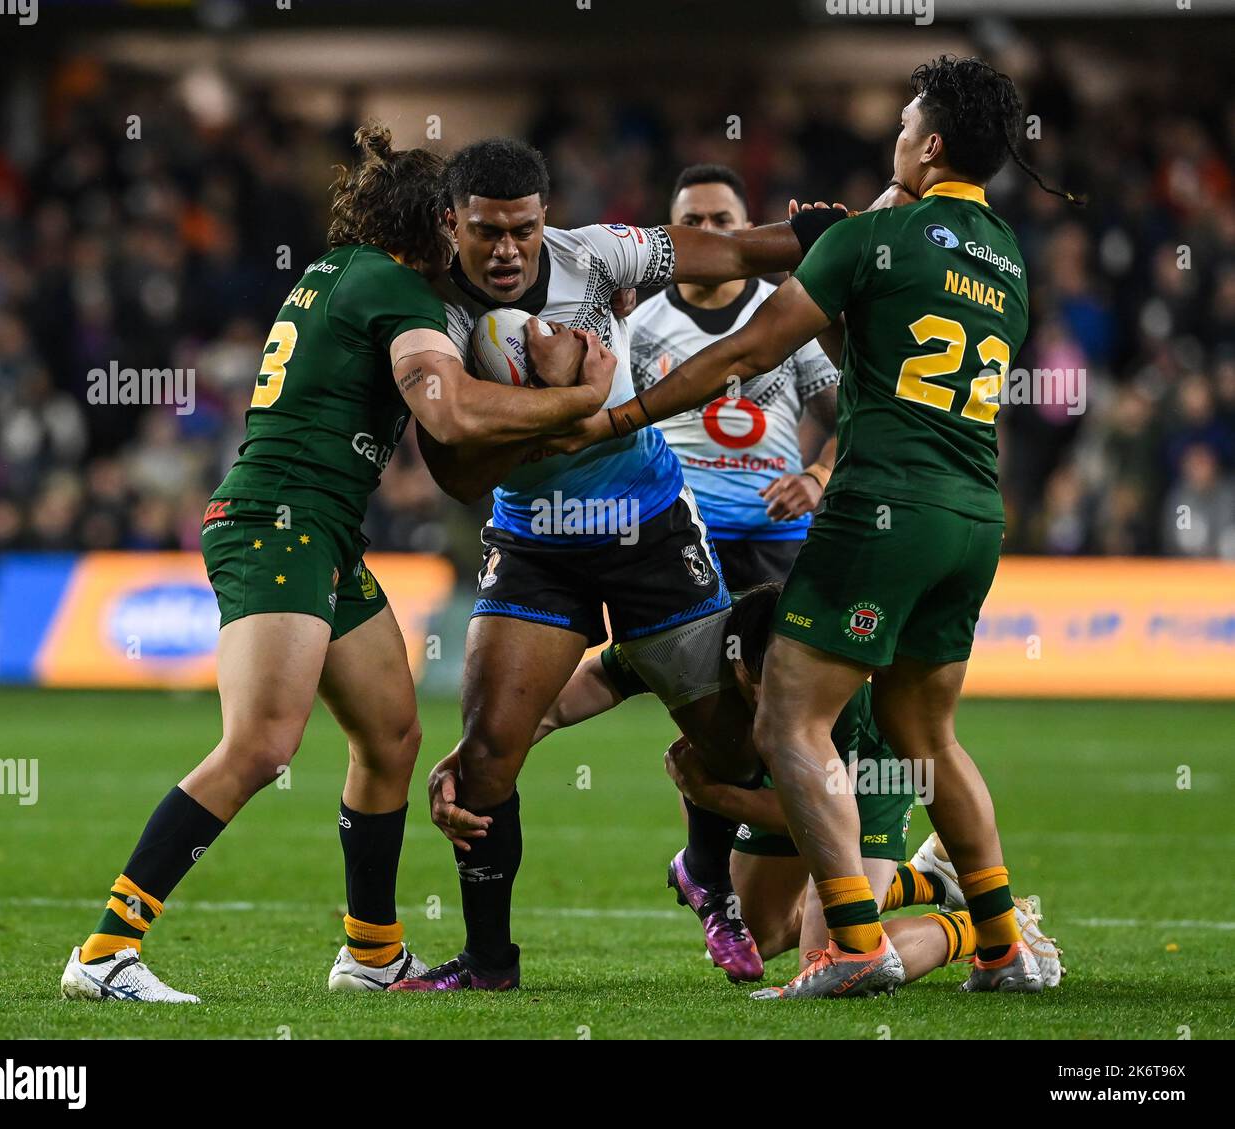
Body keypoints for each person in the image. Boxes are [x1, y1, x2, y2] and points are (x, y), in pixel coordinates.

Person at [549, 56, 1082, 997]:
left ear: (931, 144)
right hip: (973, 513)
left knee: (791, 712)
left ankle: (846, 944)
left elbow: (750, 350)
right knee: (927, 736)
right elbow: (872, 352)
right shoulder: (1003, 257)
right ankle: (1000, 943)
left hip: (886, 508)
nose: (896, 137)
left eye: (906, 124)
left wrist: (623, 417)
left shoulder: (874, 235)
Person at [61, 123, 615, 1003]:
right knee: (259, 744)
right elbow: (451, 416)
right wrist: (582, 399)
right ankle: (105, 951)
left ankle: (371, 950)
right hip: (279, 526)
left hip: (318, 530)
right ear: (434, 222)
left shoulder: (337, 274)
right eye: (461, 227)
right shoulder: (398, 290)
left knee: (392, 733)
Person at [391, 137, 819, 991]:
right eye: (486, 232)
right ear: (452, 224)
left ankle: (707, 877)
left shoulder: (596, 254)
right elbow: (454, 462)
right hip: (536, 541)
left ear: (545, 216)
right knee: (483, 764)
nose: (507, 249)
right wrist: (572, 399)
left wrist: (828, 235)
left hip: (650, 526)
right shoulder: (432, 311)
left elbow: (733, 249)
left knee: (732, 746)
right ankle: (488, 963)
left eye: (521, 229)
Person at [428, 582, 1064, 994]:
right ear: (735, 664)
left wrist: (715, 796)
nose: (786, 703)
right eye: (768, 686)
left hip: (868, 785)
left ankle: (985, 925)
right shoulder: (694, 652)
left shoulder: (842, 707)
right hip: (781, 793)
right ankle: (926, 878)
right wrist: (482, 753)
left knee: (843, 959)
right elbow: (573, 695)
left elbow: (822, 817)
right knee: (760, 938)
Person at [629, 163, 839, 591]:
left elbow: (850, 418)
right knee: (670, 659)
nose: (708, 233)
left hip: (776, 542)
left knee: (773, 660)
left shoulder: (793, 315)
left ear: (747, 229)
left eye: (721, 221)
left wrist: (817, 476)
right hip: (672, 537)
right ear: (671, 234)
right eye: (692, 223)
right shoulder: (637, 328)